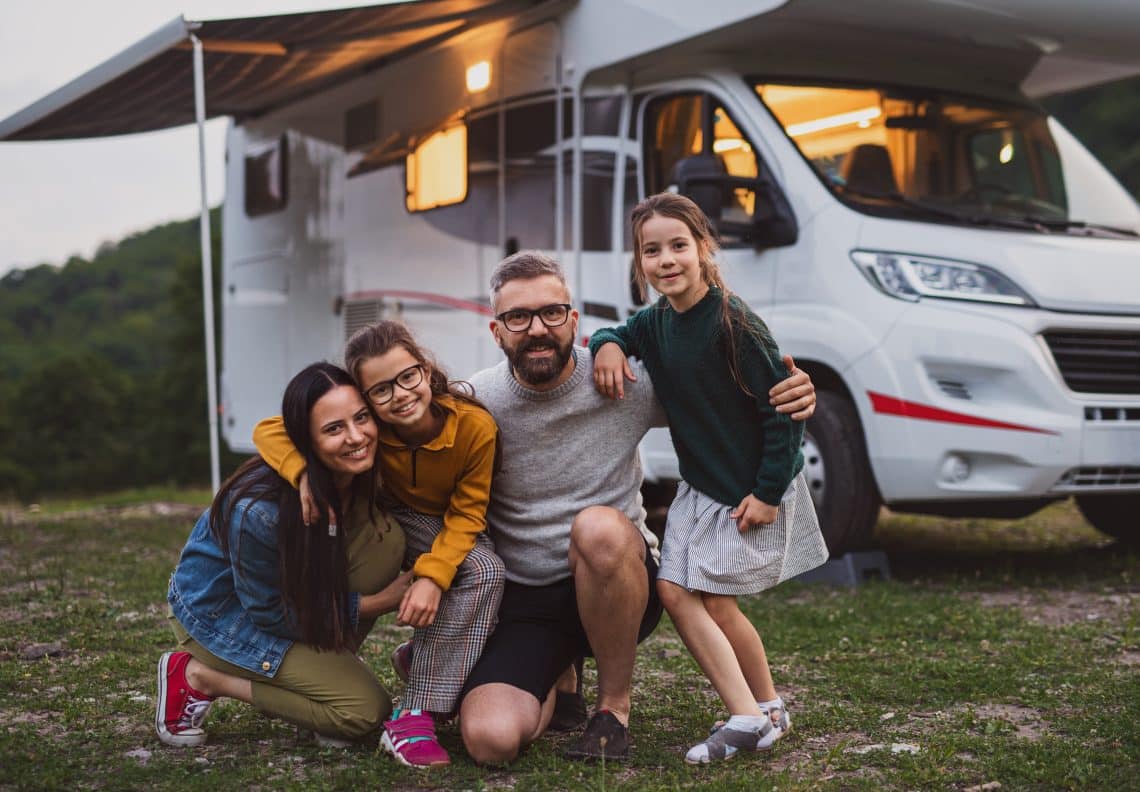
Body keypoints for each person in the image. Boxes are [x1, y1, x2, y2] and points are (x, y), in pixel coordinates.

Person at [456, 250, 818, 764]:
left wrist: (792, 393)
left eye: (551, 312)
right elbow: (393, 426)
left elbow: (725, 398)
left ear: (573, 320)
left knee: (599, 527)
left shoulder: (621, 382)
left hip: (619, 580)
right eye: (518, 317)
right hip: (529, 602)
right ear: (497, 331)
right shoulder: (476, 399)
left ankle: (612, 707)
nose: (537, 328)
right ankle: (558, 676)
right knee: (491, 742)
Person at [589, 192, 829, 763]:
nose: (666, 259)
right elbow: (619, 331)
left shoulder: (734, 322)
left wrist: (767, 494)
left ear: (703, 248)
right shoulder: (657, 321)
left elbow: (784, 410)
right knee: (711, 603)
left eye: (678, 245)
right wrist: (606, 347)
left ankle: (745, 715)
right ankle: (766, 709)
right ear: (639, 261)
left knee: (684, 593)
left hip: (748, 487)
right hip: (703, 486)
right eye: (652, 250)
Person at [253, 321, 505, 767]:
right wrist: (303, 472)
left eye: (408, 377)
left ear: (425, 370)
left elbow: (467, 514)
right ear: (364, 399)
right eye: (381, 391)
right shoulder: (368, 426)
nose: (401, 395)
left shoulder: (473, 427)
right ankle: (361, 691)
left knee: (484, 569)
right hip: (383, 519)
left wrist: (431, 576)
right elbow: (269, 430)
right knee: (479, 570)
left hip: (443, 523)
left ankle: (416, 705)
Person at [156, 362, 412, 748]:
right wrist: (379, 603)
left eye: (361, 418)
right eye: (333, 429)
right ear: (304, 441)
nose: (357, 437)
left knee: (386, 538)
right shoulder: (260, 512)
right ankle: (198, 676)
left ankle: (323, 680)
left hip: (295, 600)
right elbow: (270, 614)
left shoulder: (357, 474)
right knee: (362, 714)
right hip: (225, 617)